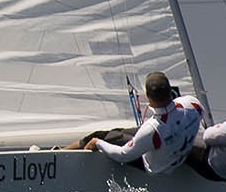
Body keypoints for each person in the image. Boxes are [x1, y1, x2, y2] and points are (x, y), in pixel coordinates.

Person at [65, 71, 203, 174]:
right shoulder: (192, 103)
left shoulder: (152, 128)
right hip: (174, 150)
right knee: (118, 133)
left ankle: (61, 154)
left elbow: (123, 155)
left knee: (100, 136)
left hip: (156, 166)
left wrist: (98, 143)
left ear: (148, 98)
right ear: (170, 90)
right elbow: (179, 119)